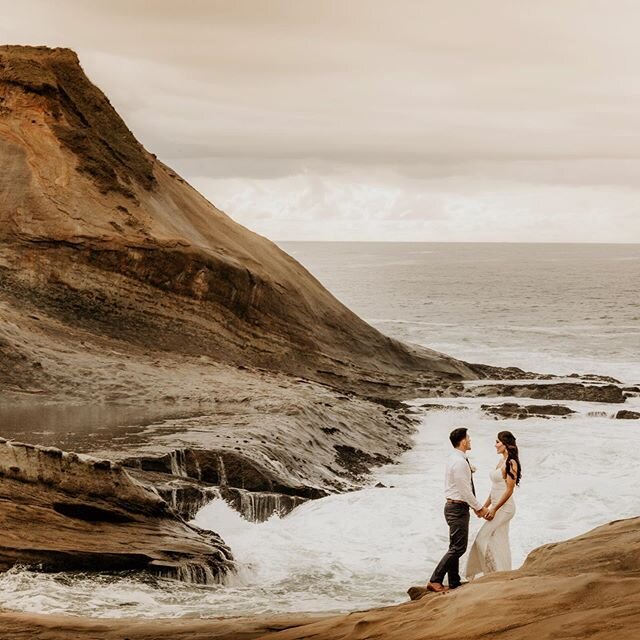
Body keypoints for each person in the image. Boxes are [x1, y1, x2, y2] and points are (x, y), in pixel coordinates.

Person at [426, 427, 487, 592]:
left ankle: (454, 581)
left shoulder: (457, 458)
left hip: (455, 506)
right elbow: (464, 490)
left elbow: (463, 481)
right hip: (457, 507)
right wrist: (479, 508)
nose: (470, 440)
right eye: (468, 438)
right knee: (459, 548)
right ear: (463, 441)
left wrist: (470, 469)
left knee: (455, 546)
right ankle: (435, 580)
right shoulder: (459, 462)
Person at [465, 430, 521, 578]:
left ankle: (491, 574)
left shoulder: (511, 462)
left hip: (505, 508)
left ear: (505, 444)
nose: (495, 445)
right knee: (498, 540)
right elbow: (495, 489)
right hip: (497, 506)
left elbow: (509, 490)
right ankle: (501, 572)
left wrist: (494, 509)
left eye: (497, 442)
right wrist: (483, 507)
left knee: (482, 537)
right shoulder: (501, 461)